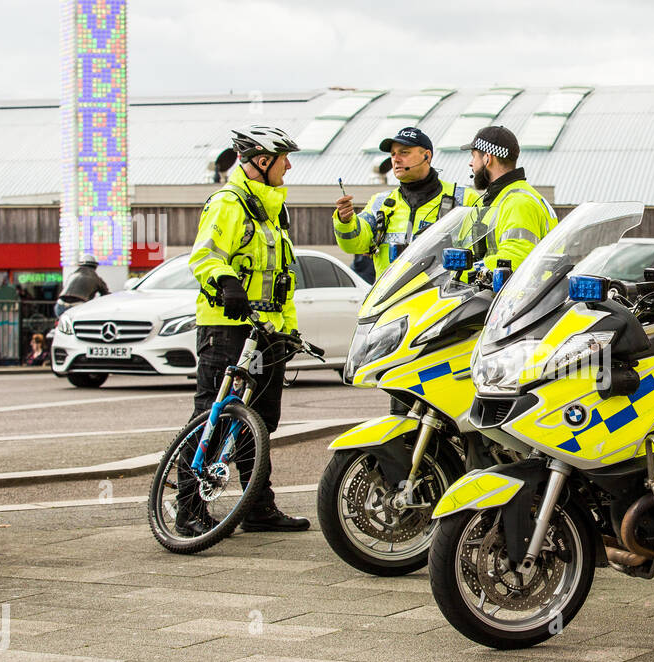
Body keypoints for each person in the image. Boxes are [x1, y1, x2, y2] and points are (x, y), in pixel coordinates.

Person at [183, 125, 310, 536]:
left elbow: (281, 281)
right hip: (226, 328)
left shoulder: (273, 210)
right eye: (283, 158)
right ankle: (188, 509)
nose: (288, 166)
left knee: (259, 420)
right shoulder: (229, 202)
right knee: (213, 417)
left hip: (266, 331)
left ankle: (256, 507)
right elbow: (204, 256)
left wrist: (287, 333)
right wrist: (225, 281)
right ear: (261, 161)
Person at [333, 126, 477, 281]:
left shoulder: (464, 198)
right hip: (390, 300)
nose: (396, 159)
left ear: (427, 156)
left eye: (404, 152)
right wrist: (345, 221)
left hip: (442, 300)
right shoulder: (380, 203)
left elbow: (481, 255)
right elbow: (354, 245)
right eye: (393, 154)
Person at [461, 126, 557, 272]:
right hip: (499, 292)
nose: (471, 163)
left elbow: (515, 258)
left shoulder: (518, 202)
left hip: (520, 293)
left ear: (488, 158)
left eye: (474, 156)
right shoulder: (501, 198)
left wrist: (468, 272)